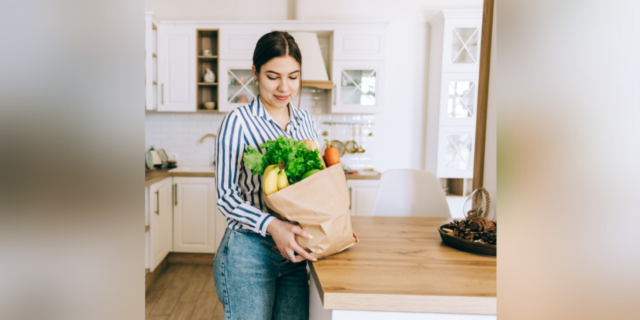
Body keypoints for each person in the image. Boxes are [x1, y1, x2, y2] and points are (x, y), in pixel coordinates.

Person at [213, 31, 317, 320]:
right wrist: (272, 225)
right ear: (255, 73)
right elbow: (226, 196)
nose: (285, 87)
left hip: (294, 254)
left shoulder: (306, 121)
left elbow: (314, 185)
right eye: (273, 76)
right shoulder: (238, 122)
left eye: (293, 76)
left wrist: (333, 225)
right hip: (248, 252)